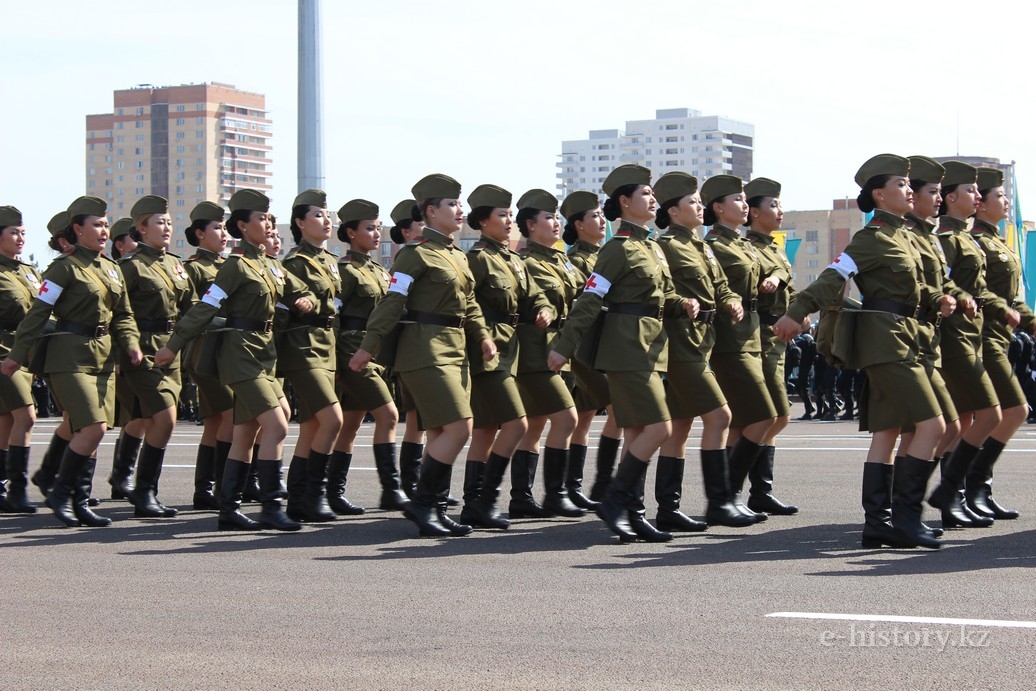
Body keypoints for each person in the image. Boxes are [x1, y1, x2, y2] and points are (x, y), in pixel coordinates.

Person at [774, 154, 954, 549]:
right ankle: (905, 520)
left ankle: (882, 522)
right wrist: (796, 313)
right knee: (933, 426)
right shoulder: (870, 239)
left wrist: (941, 298)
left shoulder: (905, 236)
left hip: (915, 337)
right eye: (902, 185)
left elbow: (913, 288)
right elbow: (832, 278)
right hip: (887, 341)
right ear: (879, 194)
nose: (910, 190)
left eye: (910, 185)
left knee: (902, 429)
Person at [549, 164, 698, 543]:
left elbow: (658, 295)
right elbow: (589, 300)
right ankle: (615, 500)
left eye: (653, 194)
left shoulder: (651, 247)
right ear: (625, 202)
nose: (653, 199)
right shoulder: (617, 250)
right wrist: (563, 348)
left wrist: (681, 303)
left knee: (635, 432)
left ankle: (635, 511)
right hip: (625, 347)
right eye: (645, 194)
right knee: (659, 428)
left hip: (651, 346)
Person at [155, 189, 315, 532]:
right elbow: (206, 306)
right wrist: (174, 345)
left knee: (246, 430)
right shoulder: (235, 266)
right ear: (242, 226)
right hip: (240, 352)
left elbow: (302, 289)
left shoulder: (270, 265)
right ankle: (271, 506)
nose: (268, 223)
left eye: (269, 218)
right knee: (277, 424)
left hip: (266, 350)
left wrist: (305, 300)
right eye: (261, 218)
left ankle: (229, 509)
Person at [349, 174, 497, 537]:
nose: (459, 211)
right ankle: (422, 502)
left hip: (455, 347)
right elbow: (392, 302)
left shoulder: (456, 256)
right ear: (431, 211)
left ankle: (431, 507)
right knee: (461, 427)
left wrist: (483, 337)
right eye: (451, 205)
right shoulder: (414, 254)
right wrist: (368, 347)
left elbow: (471, 305)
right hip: (425, 348)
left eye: (460, 205)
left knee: (444, 430)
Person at [2, 196, 143, 528]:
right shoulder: (62, 268)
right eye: (96, 225)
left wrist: (132, 346)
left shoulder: (111, 268)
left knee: (96, 430)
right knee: (91, 426)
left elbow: (123, 315)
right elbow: (37, 315)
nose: (103, 230)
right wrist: (16, 357)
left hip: (104, 357)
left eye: (106, 225)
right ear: (77, 230)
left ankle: (79, 500)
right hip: (69, 357)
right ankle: (61, 494)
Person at [652, 172, 749, 529]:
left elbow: (722, 287)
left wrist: (732, 302)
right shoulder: (664, 247)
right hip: (680, 345)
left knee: (679, 426)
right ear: (673, 212)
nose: (699, 207)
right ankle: (720, 502)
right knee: (720, 416)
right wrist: (681, 302)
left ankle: (668, 509)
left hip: (702, 341)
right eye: (692, 202)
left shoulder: (702, 246)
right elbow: (655, 292)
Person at [460, 184, 552, 529]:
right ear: (483, 222)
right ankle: (486, 499)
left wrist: (542, 309)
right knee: (517, 423)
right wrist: (482, 337)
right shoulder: (478, 259)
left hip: (510, 349)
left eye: (511, 215)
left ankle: (474, 504)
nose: (509, 221)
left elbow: (534, 295)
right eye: (502, 215)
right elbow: (468, 305)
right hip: (488, 350)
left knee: (485, 429)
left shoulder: (514, 259)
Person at [927, 161, 1008, 529]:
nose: (976, 197)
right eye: (972, 191)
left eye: (980, 191)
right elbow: (944, 285)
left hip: (972, 335)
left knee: (958, 424)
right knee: (987, 416)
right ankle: (947, 493)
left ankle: (952, 495)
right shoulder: (946, 238)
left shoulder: (965, 237)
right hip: (955, 336)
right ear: (951, 197)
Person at [702, 175, 777, 523]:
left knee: (747, 420)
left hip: (753, 335)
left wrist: (775, 276)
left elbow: (775, 264)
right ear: (718, 207)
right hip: (729, 338)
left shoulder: (744, 244)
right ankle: (725, 497)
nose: (745, 205)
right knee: (764, 415)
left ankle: (728, 499)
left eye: (747, 200)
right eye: (738, 199)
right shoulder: (714, 245)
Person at [116, 196, 194, 518]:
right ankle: (145, 492)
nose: (166, 227)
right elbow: (119, 312)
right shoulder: (130, 267)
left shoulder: (175, 265)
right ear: (141, 229)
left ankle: (136, 485)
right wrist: (127, 349)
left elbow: (192, 306)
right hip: (142, 351)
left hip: (170, 349)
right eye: (158, 222)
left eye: (169, 222)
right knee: (164, 418)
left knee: (146, 420)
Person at [331, 198, 409, 516]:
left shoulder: (378, 270)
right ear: (351, 233)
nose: (377, 233)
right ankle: (391, 490)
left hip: (372, 352)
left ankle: (333, 492)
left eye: (378, 228)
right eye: (369, 228)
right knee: (388, 415)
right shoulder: (344, 270)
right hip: (351, 350)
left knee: (350, 423)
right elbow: (333, 316)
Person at [965, 166, 1035, 520]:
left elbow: (1011, 298)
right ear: (981, 205)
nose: (1005, 201)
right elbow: (982, 293)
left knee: (995, 416)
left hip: (1000, 336)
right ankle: (965, 488)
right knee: (1007, 412)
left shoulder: (995, 240)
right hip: (980, 337)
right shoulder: (976, 242)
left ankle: (977, 489)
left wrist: (1033, 323)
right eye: (1000, 196)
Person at [512, 189, 582, 519]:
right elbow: (539, 299)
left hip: (559, 347)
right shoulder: (526, 262)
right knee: (566, 418)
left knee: (536, 423)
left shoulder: (561, 259)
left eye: (557, 218)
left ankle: (522, 498)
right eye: (549, 218)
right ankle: (556, 494)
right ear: (530, 225)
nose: (556, 223)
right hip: (537, 350)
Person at [279, 189, 347, 523]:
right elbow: (283, 301)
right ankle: (315, 493)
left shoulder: (329, 261)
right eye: (319, 215)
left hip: (326, 345)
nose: (327, 221)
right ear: (300, 223)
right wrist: (297, 302)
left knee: (311, 426)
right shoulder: (295, 263)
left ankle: (298, 499)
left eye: (328, 215)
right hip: (303, 347)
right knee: (333, 419)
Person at [561, 190, 621, 508]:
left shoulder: (602, 255)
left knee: (583, 417)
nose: (601, 220)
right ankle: (599, 483)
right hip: (587, 350)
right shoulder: (576, 262)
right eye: (594, 216)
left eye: (601, 214)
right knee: (617, 409)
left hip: (602, 347)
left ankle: (576, 486)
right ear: (579, 224)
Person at [743, 177, 799, 515]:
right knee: (767, 416)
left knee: (777, 417)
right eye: (773, 205)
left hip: (778, 340)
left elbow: (786, 287)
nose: (780, 211)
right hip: (760, 338)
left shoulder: (774, 248)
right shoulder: (749, 247)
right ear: (753, 213)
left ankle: (761, 491)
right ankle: (733, 488)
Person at [181, 201, 234, 510]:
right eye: (217, 228)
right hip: (205, 353)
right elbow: (192, 311)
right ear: (200, 234)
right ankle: (224, 486)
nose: (223, 233)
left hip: (223, 352)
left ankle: (205, 489)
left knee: (215, 420)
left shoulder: (226, 265)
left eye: (225, 228)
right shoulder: (194, 268)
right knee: (229, 415)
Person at [0, 206, 43, 513]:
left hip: (26, 352)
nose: (20, 239)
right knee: (26, 417)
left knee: (6, 420)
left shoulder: (29, 271)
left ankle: (2, 489)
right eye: (13, 233)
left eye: (23, 233)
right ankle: (18, 489)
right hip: (2, 352)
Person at [385, 199, 426, 499]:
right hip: (414, 345)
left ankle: (414, 484)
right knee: (416, 417)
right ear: (407, 231)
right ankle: (410, 486)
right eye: (421, 224)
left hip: (423, 345)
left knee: (419, 420)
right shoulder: (409, 258)